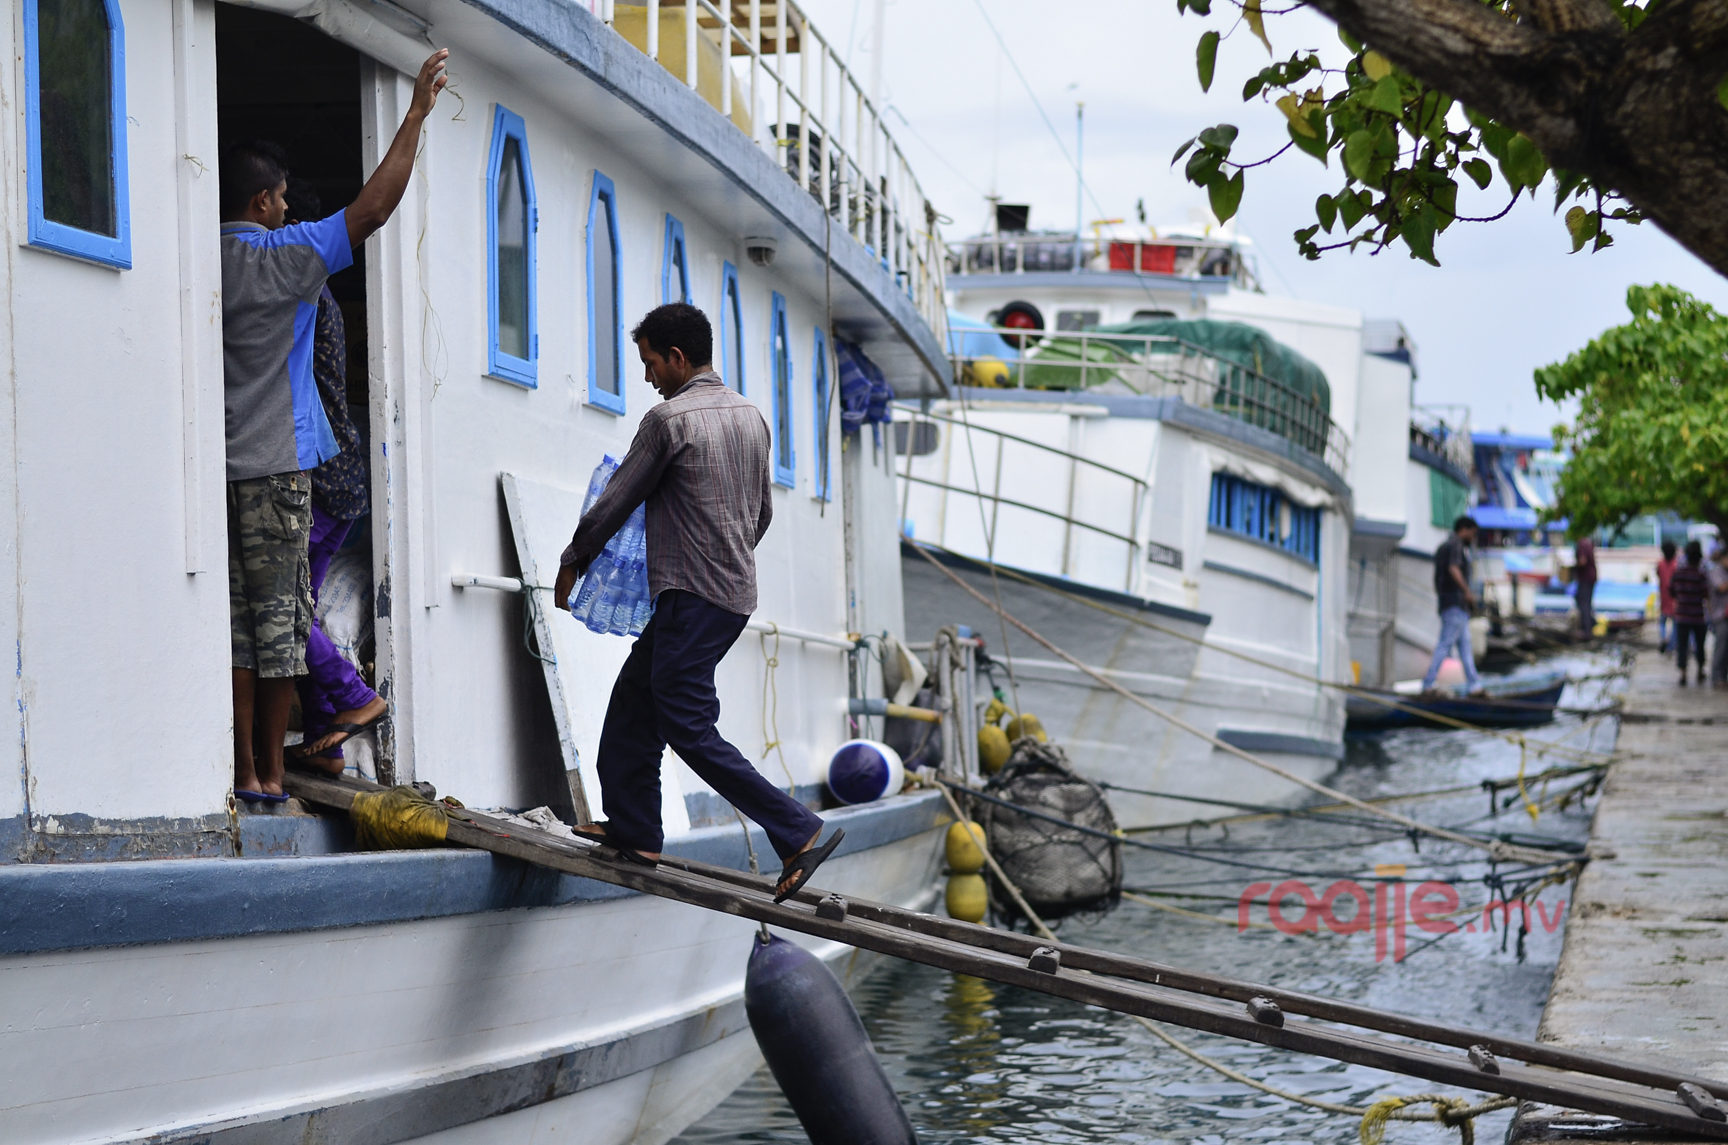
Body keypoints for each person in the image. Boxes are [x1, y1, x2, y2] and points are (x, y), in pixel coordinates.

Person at [552, 303, 843, 902]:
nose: (650, 376)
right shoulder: (751, 417)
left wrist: (573, 557)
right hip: (729, 596)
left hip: (692, 597)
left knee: (687, 726)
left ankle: (797, 831)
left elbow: (617, 499)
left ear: (678, 359)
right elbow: (758, 513)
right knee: (636, 701)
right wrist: (724, 553)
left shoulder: (668, 420)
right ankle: (636, 831)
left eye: (652, 363)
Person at [220, 49, 448, 802]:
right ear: (262, 201)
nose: (289, 208)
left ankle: (246, 769)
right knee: (280, 627)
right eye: (283, 198)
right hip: (280, 468)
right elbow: (373, 209)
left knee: (237, 630)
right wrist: (413, 113)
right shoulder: (284, 257)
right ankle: (269, 769)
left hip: (218, 463)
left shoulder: (198, 258)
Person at [279, 179, 387, 772]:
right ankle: (325, 742)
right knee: (306, 604)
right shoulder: (321, 298)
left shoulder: (301, 300)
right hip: (343, 476)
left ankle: (353, 697)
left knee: (289, 607)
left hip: (321, 477)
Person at [1421, 516, 1485, 696]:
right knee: (1445, 645)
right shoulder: (1457, 545)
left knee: (1465, 647)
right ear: (1464, 529)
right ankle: (1428, 685)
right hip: (1456, 605)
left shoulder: (1443, 547)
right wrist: (1467, 591)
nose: (1473, 538)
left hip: (1449, 604)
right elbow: (1454, 568)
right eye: (1472, 533)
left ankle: (1474, 686)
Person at [1671, 539, 1709, 686]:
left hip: (1681, 615)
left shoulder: (1678, 574)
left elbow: (1671, 590)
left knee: (1682, 645)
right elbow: (1706, 594)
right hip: (1698, 615)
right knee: (1700, 645)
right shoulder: (1701, 575)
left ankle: (1683, 673)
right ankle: (1700, 670)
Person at [1708, 545, 1728, 687]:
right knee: (1720, 647)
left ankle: (1723, 677)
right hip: (1720, 615)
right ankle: (1717, 677)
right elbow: (1721, 587)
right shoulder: (1716, 572)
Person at [1573, 533, 1597, 639]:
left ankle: (1587, 631)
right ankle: (1590, 624)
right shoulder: (1588, 543)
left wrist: (1573, 567)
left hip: (1585, 578)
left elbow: (1582, 561)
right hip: (1590, 577)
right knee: (1585, 602)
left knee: (1584, 604)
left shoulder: (1582, 545)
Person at [1657, 538, 1678, 652]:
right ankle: (1671, 645)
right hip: (1675, 598)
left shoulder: (1660, 564)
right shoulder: (1676, 565)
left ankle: (1663, 638)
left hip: (1664, 597)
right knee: (1675, 624)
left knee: (1662, 622)